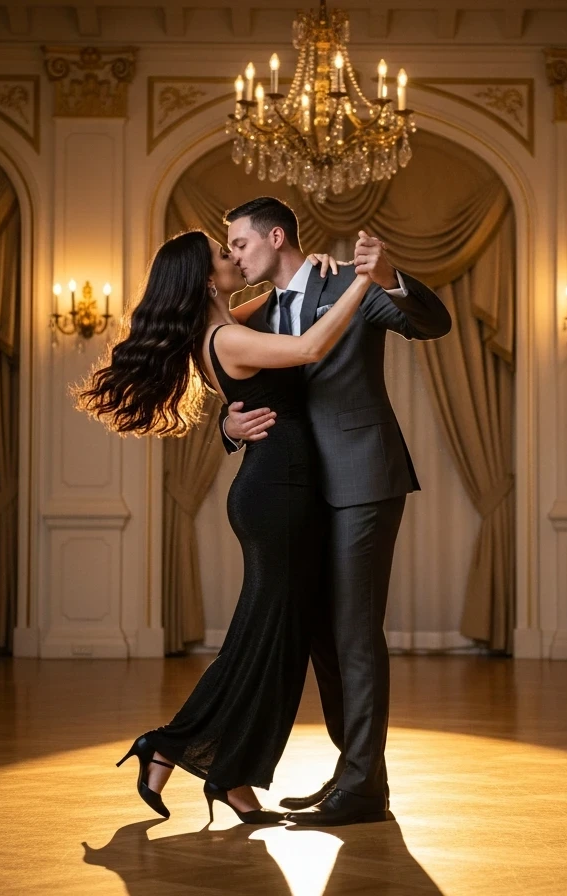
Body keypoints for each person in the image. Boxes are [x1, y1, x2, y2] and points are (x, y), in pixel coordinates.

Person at [74, 228, 374, 825]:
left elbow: (285, 298)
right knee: (262, 643)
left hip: (277, 489)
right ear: (208, 277)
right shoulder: (229, 337)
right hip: (277, 496)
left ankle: (232, 778)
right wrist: (363, 281)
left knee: (273, 645)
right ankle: (170, 743)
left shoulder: (227, 322)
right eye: (224, 253)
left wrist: (312, 270)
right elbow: (311, 346)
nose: (235, 256)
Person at [220, 197, 451, 826]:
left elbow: (432, 323)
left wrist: (390, 276)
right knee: (321, 632)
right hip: (298, 490)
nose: (235, 256)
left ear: (275, 236)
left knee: (354, 631)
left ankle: (359, 788)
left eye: (240, 244)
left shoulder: (349, 280)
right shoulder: (258, 312)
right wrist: (228, 421)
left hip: (363, 477)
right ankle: (358, 778)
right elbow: (243, 382)